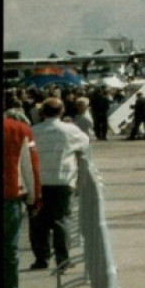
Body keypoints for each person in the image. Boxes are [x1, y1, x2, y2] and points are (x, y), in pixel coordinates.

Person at [30, 98, 88, 272]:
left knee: (38, 222)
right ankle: (63, 259)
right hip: (62, 180)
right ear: (62, 111)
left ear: (42, 112)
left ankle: (41, 259)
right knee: (61, 221)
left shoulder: (33, 131)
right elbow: (85, 144)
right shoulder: (70, 130)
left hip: (38, 182)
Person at [4, 98, 41, 288]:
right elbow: (29, 167)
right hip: (9, 196)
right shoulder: (19, 129)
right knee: (9, 249)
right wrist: (34, 198)